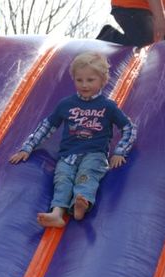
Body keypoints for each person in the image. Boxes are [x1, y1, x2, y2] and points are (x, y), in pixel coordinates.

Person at [9, 52, 137, 226]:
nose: (84, 85)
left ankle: (81, 204)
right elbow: (47, 126)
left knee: (87, 175)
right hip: (68, 155)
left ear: (103, 80)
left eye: (90, 80)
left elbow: (128, 127)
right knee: (62, 179)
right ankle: (57, 213)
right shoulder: (66, 104)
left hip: (95, 154)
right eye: (79, 80)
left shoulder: (108, 107)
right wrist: (27, 147)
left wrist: (120, 151)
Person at [96, 0, 165, 48]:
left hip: (150, 9)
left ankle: (120, 39)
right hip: (130, 5)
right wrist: (160, 17)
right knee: (151, 45)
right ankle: (111, 37)